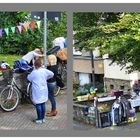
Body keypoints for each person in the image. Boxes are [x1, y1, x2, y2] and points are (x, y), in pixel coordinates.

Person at [27, 58, 54, 124]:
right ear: (41, 64)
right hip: (44, 90)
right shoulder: (44, 70)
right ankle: (43, 118)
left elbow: (29, 78)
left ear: (35, 65)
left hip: (37, 91)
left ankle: (39, 119)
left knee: (38, 104)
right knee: (43, 103)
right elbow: (52, 74)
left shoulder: (34, 72)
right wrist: (46, 78)